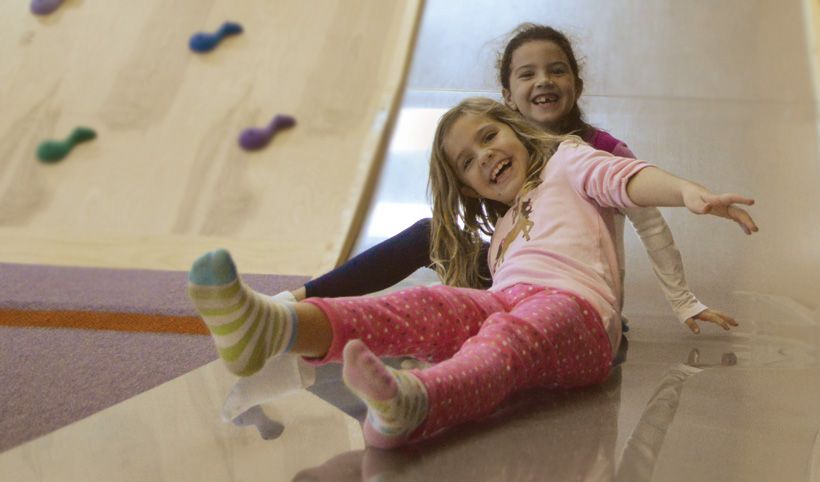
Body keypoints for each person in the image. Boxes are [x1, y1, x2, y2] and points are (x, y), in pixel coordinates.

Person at [187, 97, 758, 448]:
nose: (484, 154)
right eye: (467, 160)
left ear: (516, 129)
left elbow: (626, 181)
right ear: (466, 187)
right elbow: (476, 299)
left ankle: (418, 402)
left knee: (509, 340)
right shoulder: (500, 236)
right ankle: (278, 327)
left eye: (489, 136)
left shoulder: (567, 161)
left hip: (580, 317)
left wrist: (685, 191)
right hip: (512, 299)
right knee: (428, 306)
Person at [281, 23, 729, 335]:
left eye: (556, 69)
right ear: (507, 96)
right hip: (512, 279)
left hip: (577, 288)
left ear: (576, 80)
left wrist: (684, 300)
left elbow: (650, 226)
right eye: (527, 74)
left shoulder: (598, 151)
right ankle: (296, 302)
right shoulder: (501, 150)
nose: (543, 81)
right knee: (429, 234)